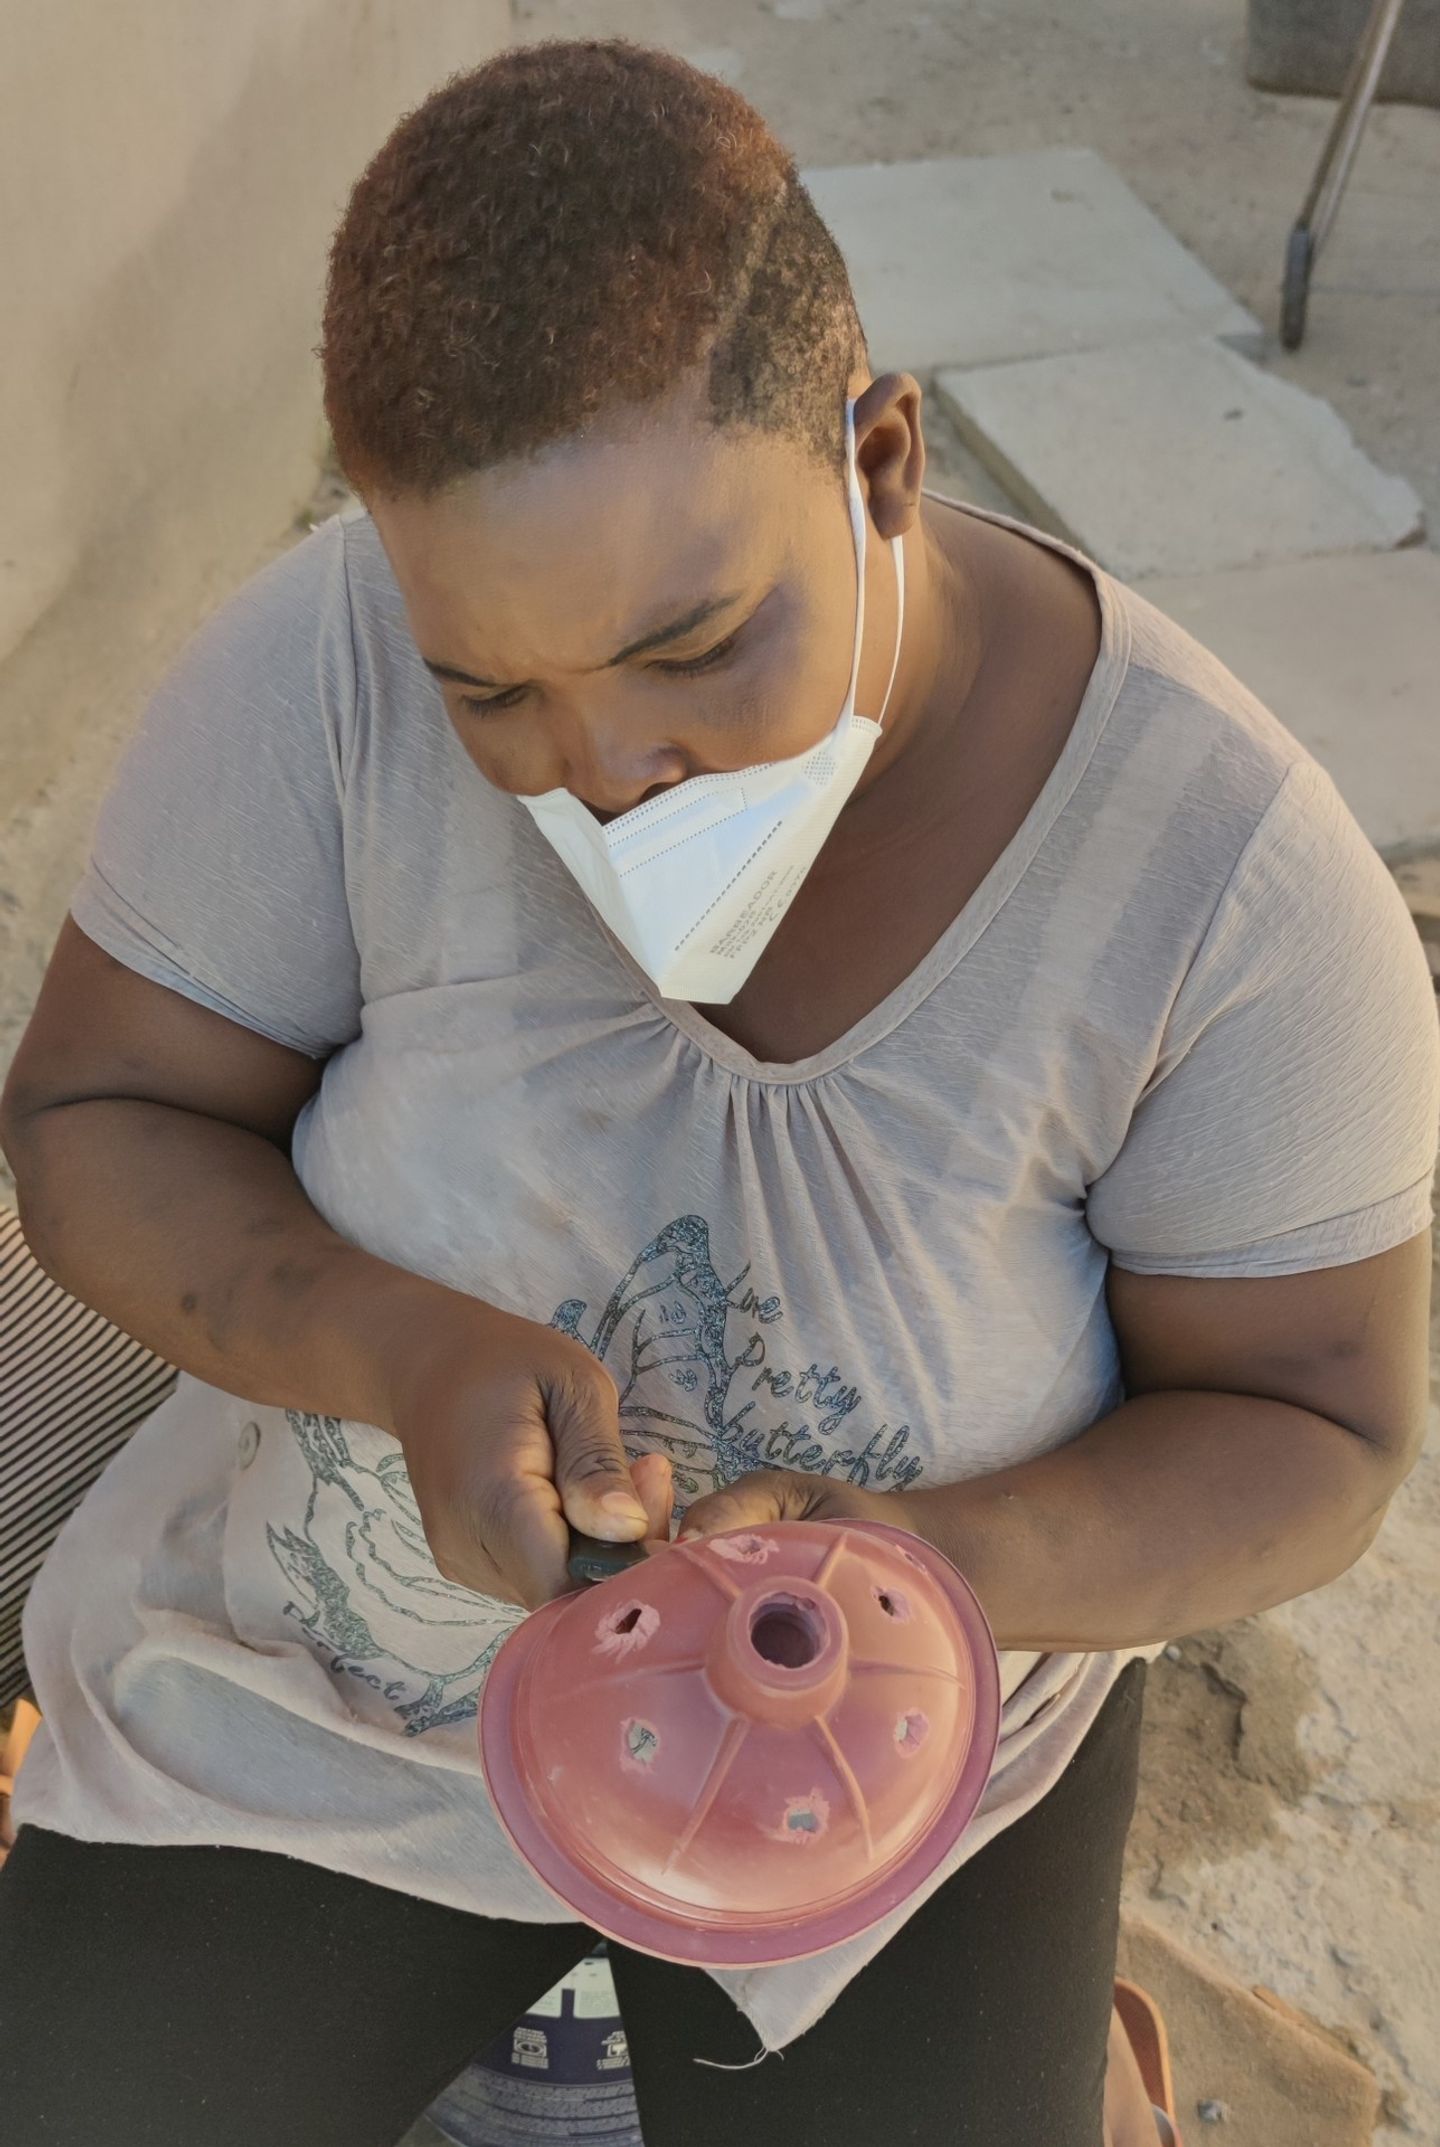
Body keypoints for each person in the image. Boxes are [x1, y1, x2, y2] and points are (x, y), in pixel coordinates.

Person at [1, 35, 1435, 2147]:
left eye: (697, 647)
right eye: (491, 685)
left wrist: (918, 1569)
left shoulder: (1227, 893)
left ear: (881, 463)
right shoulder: (318, 674)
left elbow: (1314, 1422)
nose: (600, 769)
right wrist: (396, 1350)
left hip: (896, 1774)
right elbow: (100, 1121)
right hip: (335, 1707)